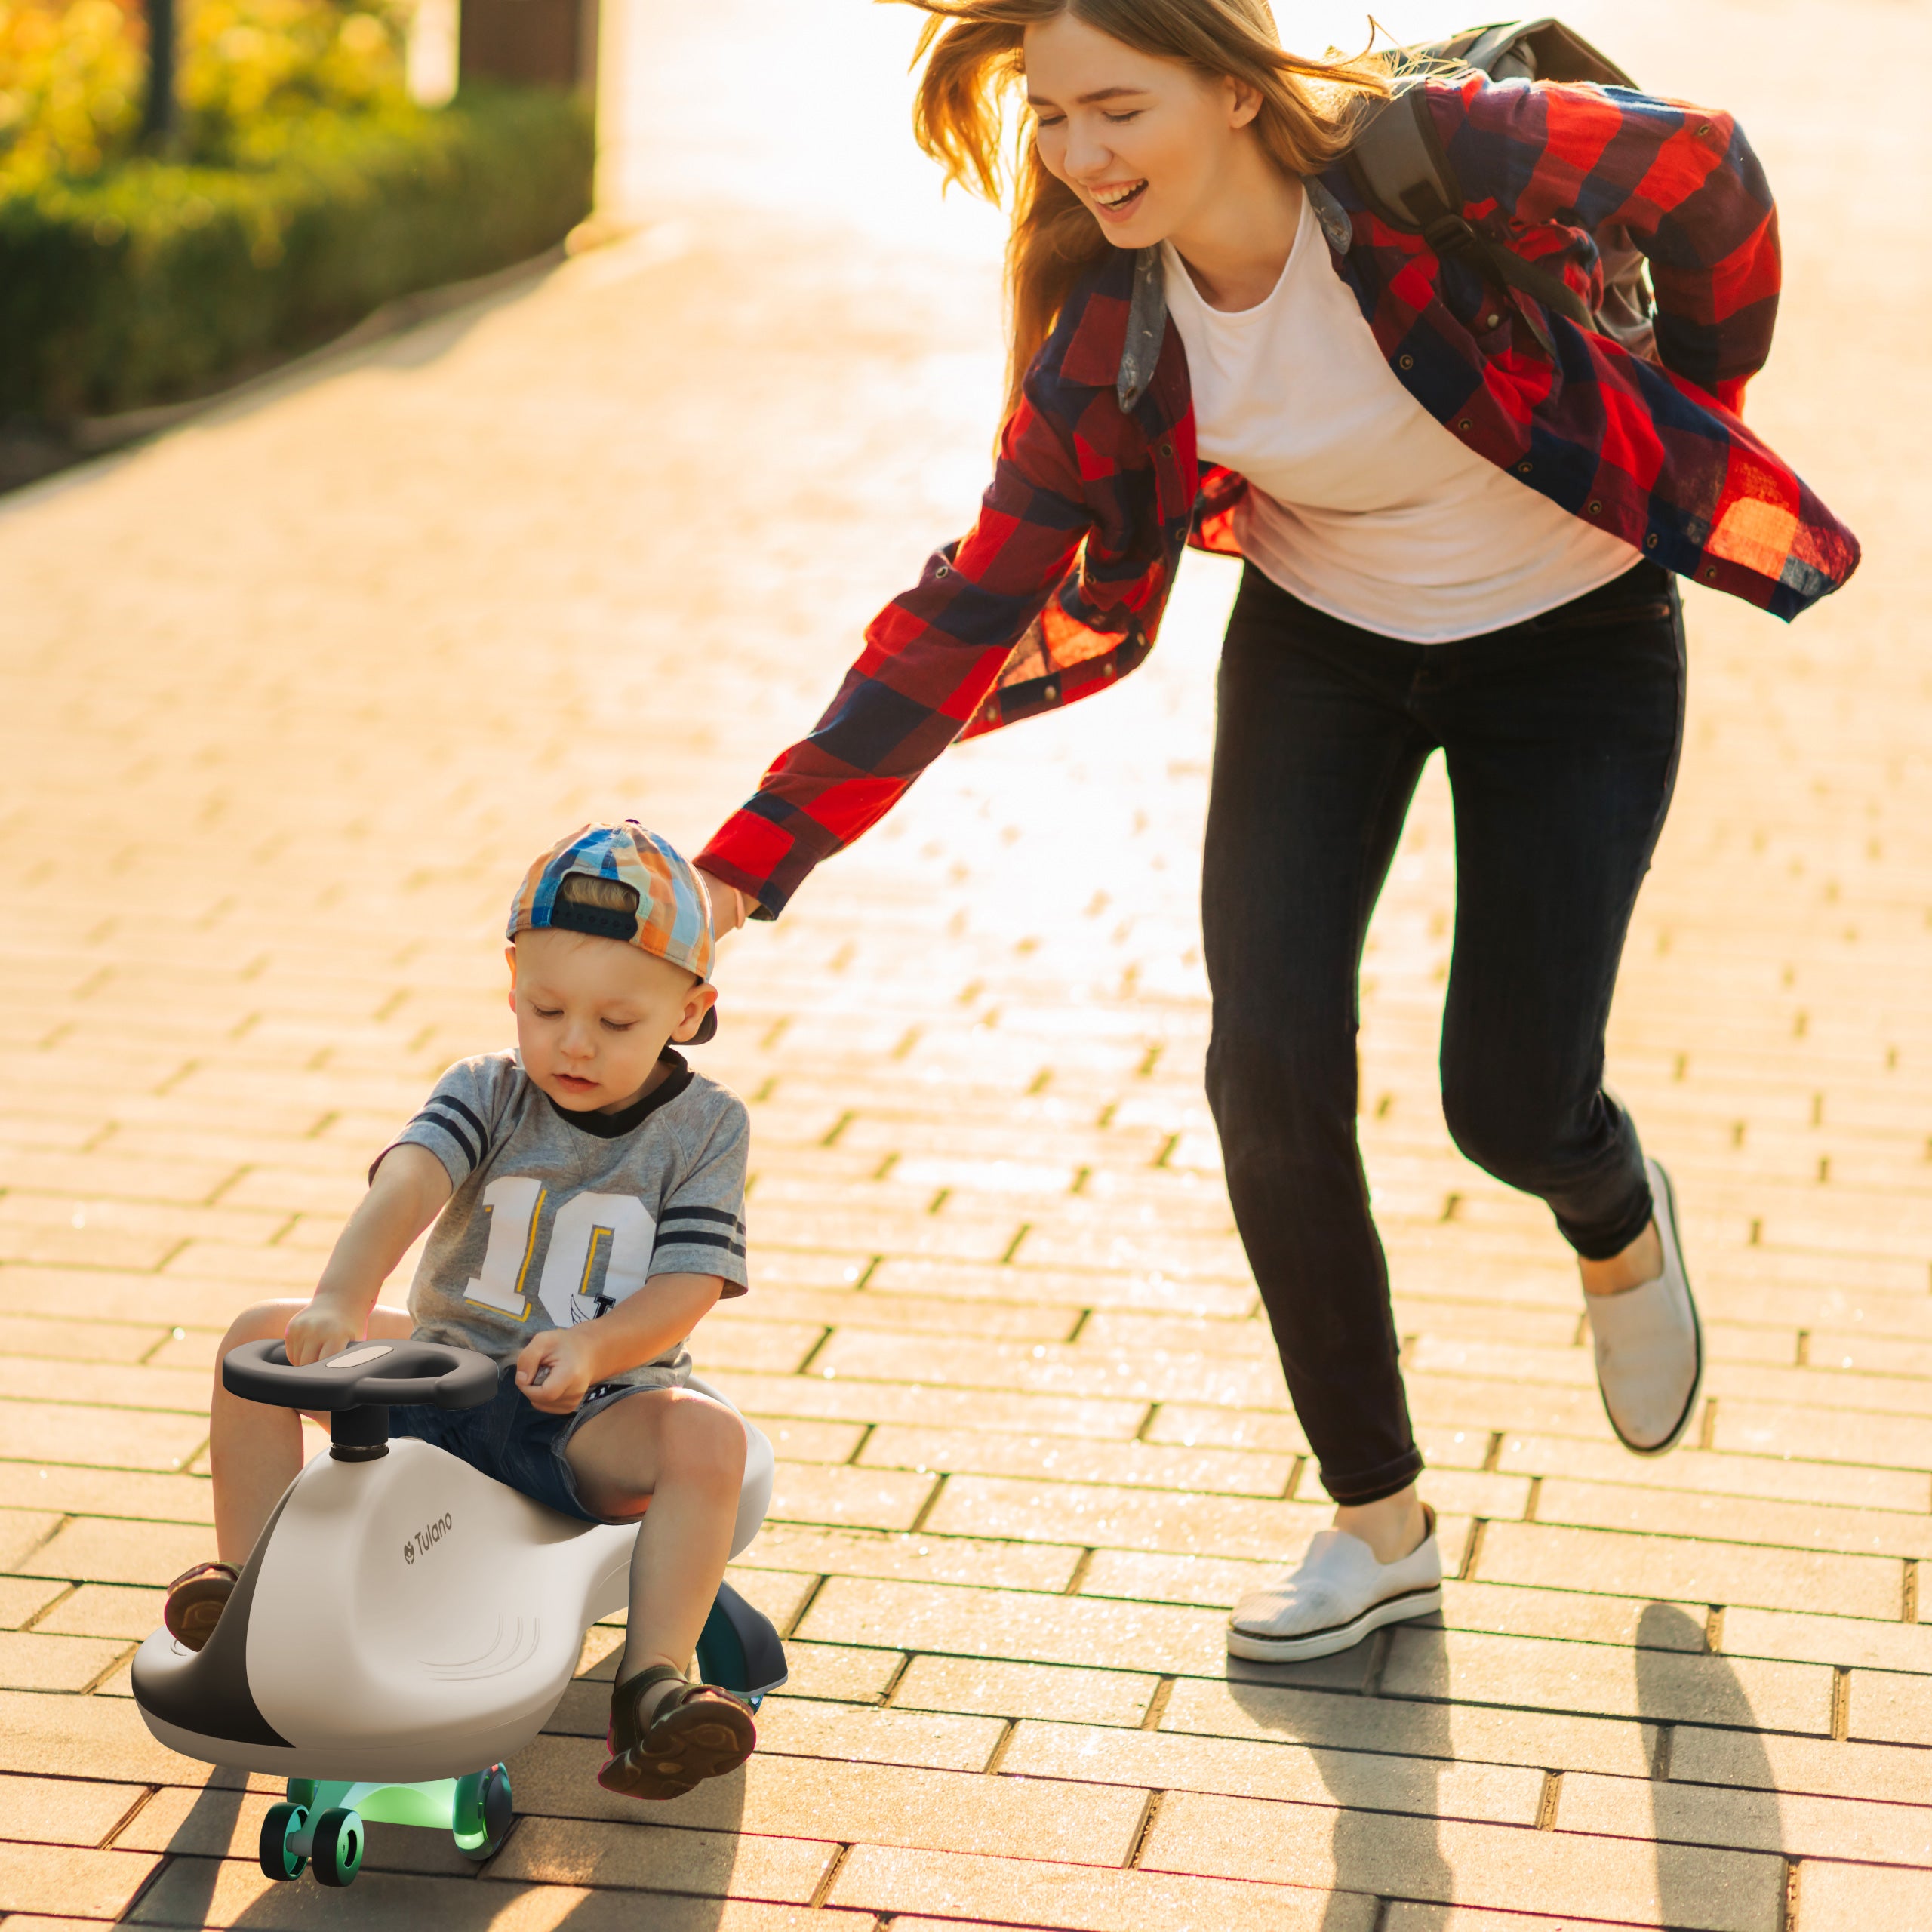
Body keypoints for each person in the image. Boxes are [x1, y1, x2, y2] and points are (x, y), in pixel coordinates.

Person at [694, 0, 1859, 1663]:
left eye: (1117, 109)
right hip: (1325, 648)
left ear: (1235, 91)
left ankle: (1608, 1206)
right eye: (1052, 120)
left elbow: (1708, 170)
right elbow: (963, 614)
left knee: (1509, 1098)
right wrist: (741, 867)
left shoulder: (1427, 153)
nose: (1081, 156)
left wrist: (1691, 398)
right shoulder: (1108, 331)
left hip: (1572, 639)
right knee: (1265, 1066)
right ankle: (1374, 1520)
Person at [165, 822, 759, 1799]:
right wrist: (340, 1296)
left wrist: (597, 1348)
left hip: (590, 1411)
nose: (572, 1042)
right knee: (251, 1339)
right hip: (442, 1371)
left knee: (708, 1443)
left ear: (689, 1010)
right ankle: (249, 1598)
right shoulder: (488, 1087)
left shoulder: (706, 1128)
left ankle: (652, 1690)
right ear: (512, 981)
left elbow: (688, 1283)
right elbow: (408, 1183)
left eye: (616, 1024)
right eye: (546, 1006)